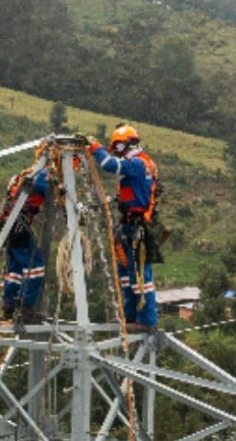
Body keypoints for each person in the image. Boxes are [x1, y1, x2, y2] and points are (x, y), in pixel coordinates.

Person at [85, 123, 161, 331]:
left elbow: (109, 164)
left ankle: (146, 320)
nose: (118, 153)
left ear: (128, 144)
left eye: (118, 148)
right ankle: (130, 317)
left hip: (138, 227)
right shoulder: (135, 168)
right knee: (127, 275)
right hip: (128, 225)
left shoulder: (137, 164)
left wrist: (94, 147)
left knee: (139, 275)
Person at [0, 168, 49, 323]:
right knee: (36, 266)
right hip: (18, 226)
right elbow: (44, 188)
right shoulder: (44, 175)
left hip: (9, 226)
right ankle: (25, 306)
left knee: (15, 270)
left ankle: (9, 307)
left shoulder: (24, 175)